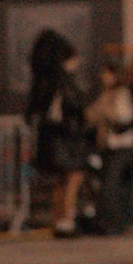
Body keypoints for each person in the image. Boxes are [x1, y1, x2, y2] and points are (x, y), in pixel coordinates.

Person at [25, 29, 93, 238]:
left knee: (60, 181)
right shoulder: (64, 82)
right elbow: (75, 106)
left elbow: (33, 112)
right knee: (74, 177)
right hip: (66, 139)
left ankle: (59, 220)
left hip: (49, 138)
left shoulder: (43, 81)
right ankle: (67, 220)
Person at [85, 59, 133, 235]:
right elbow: (91, 114)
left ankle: (115, 224)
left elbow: (122, 117)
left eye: (106, 73)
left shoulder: (121, 93)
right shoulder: (105, 93)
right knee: (105, 185)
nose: (103, 77)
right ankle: (105, 222)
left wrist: (103, 112)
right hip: (107, 145)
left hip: (121, 146)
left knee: (110, 185)